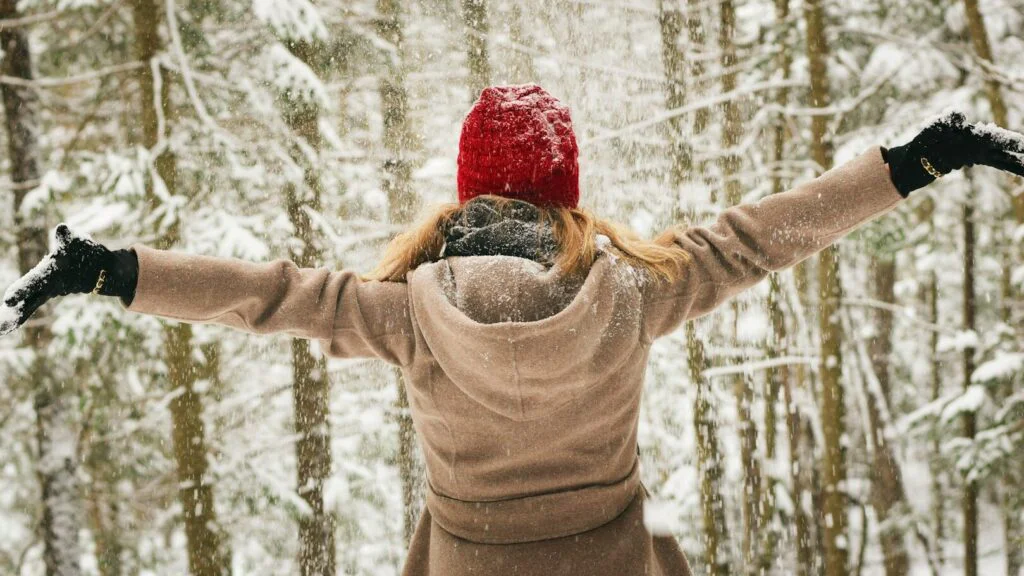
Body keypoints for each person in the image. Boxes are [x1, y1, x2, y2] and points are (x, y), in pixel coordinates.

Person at [2, 84, 1023, 575]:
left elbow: (267, 295)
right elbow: (764, 237)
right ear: (564, 195)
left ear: (465, 193)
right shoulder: (635, 290)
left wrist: (111, 270)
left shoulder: (407, 312)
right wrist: (918, 159)